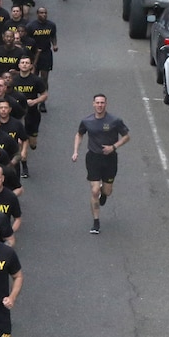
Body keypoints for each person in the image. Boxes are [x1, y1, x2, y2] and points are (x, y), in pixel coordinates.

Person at [71, 93, 131, 234]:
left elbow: (127, 136)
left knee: (107, 191)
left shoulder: (115, 121)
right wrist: (75, 151)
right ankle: (96, 222)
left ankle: (104, 193)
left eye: (102, 103)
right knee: (94, 190)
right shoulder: (86, 121)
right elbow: (79, 134)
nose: (99, 105)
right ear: (93, 104)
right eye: (97, 102)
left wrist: (113, 147)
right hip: (93, 158)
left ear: (106, 104)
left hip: (110, 159)